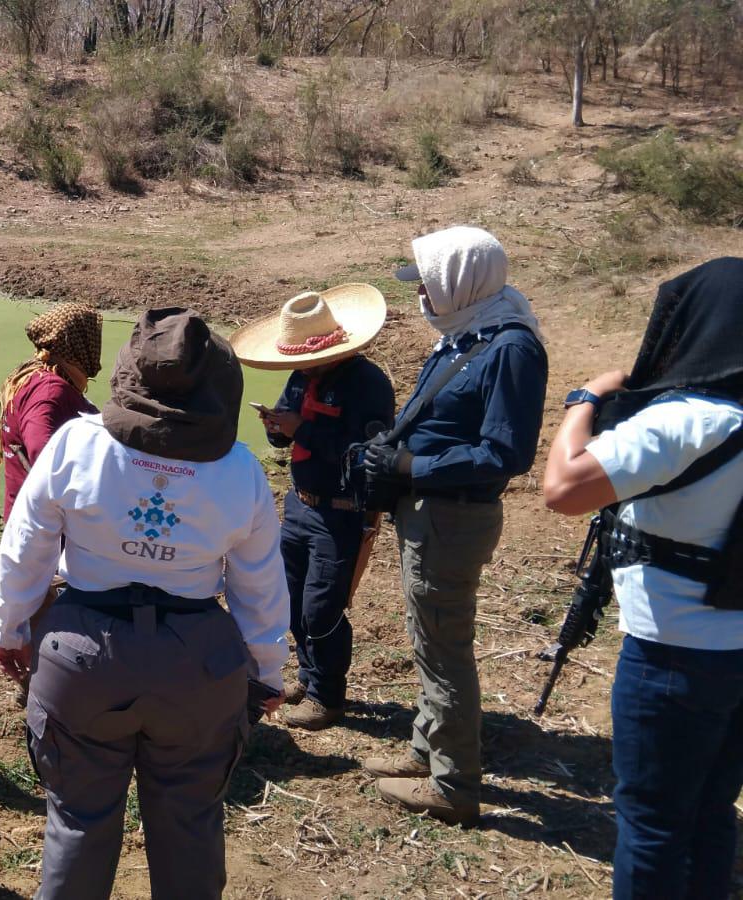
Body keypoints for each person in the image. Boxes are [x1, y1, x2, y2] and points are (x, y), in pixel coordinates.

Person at [0, 308, 289, 900]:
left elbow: (26, 545)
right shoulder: (240, 470)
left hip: (83, 652)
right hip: (197, 661)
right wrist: (268, 669)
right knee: (190, 823)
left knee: (78, 819)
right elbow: (259, 583)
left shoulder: (77, 442)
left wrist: (12, 624)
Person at [540, 258, 743, 899]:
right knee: (713, 811)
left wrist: (585, 400)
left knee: (652, 827)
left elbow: (564, 490)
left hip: (674, 654)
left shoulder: (689, 420)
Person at [352, 225, 547, 826]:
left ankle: (455, 785)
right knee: (426, 634)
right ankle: (425, 748)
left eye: (429, 285)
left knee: (443, 645)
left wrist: (414, 464)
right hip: (429, 510)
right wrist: (392, 448)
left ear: (462, 283)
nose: (422, 297)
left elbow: (506, 453)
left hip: (453, 516)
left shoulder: (511, 347)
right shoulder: (468, 332)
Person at [230, 286, 395, 731]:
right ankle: (308, 675)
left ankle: (328, 695)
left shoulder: (368, 385)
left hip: (342, 511)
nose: (295, 367)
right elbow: (287, 433)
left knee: (323, 607)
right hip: (300, 505)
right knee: (291, 597)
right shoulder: (302, 376)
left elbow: (369, 454)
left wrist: (303, 430)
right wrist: (278, 429)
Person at [0, 303, 103, 517]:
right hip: (45, 530)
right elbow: (43, 453)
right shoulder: (48, 390)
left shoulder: (31, 377)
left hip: (32, 521)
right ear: (78, 343)